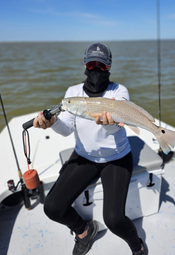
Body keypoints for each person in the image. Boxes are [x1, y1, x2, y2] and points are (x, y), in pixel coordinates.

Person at [33, 43, 147, 255]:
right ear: (85, 64)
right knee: (52, 207)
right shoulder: (73, 93)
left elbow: (118, 125)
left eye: (101, 66)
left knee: (114, 220)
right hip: (85, 156)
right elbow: (67, 129)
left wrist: (111, 123)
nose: (95, 69)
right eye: (91, 64)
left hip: (117, 157)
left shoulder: (118, 91)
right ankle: (84, 230)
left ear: (109, 67)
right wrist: (53, 122)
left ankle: (137, 245)